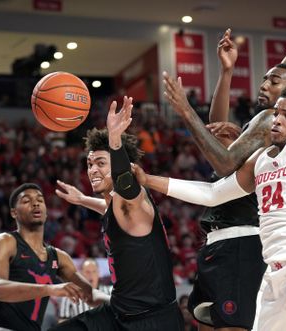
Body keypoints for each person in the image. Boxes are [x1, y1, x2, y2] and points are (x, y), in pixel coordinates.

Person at [133, 85, 286, 331]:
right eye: (276, 113)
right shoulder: (260, 159)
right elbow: (213, 193)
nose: (278, 120)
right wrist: (149, 180)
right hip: (276, 273)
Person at [51, 96, 184, 330]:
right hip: (117, 313)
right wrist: (82, 200)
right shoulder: (117, 208)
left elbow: (124, 185)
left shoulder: (135, 198)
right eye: (90, 163)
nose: (92, 169)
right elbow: (107, 207)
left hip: (152, 320)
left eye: (101, 163)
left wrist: (115, 140)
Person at [163, 16, 286, 177]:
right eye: (265, 80)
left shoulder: (270, 119)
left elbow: (225, 165)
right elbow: (216, 125)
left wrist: (187, 111)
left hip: (240, 215)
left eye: (273, 82)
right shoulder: (271, 119)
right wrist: (227, 71)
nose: (264, 86)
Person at [0, 183, 106, 331]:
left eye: (40, 200)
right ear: (14, 213)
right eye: (27, 201)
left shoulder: (58, 256)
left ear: (46, 212)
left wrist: (121, 303)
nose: (35, 203)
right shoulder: (7, 241)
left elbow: (90, 295)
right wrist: (50, 289)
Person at [58, 258, 112, 322]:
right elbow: (63, 321)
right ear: (81, 274)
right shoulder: (70, 293)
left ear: (98, 273)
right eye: (87, 272)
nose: (91, 275)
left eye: (94, 271)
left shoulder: (110, 292)